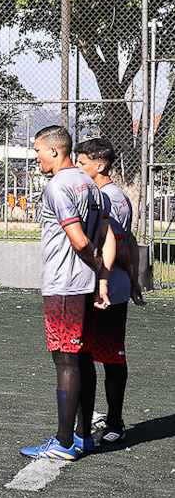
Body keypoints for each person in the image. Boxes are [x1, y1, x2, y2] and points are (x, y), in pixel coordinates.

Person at [20, 125, 115, 461]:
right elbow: (106, 235)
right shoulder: (91, 184)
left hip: (64, 285)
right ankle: (83, 436)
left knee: (65, 358)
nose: (37, 157)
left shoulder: (59, 186)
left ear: (55, 151)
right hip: (85, 286)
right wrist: (101, 275)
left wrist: (97, 266)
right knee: (83, 357)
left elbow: (79, 240)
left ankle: (62, 443)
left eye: (38, 150)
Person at [76, 137, 145, 446]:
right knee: (87, 353)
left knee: (112, 356)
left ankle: (115, 421)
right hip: (96, 288)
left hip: (109, 290)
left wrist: (130, 278)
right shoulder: (97, 193)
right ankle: (96, 415)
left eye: (82, 163)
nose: (77, 168)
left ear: (99, 165)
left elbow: (119, 244)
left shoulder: (110, 196)